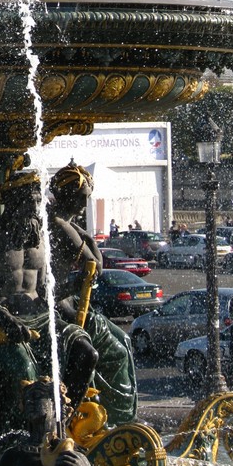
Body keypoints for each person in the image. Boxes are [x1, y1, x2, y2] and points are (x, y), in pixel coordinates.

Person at [0, 168, 97, 446]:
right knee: (25, 370)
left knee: (86, 353)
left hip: (41, 319)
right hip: (2, 325)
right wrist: (1, 315)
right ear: (11, 203)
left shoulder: (41, 244)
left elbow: (47, 293)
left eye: (37, 201)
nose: (36, 209)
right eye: (29, 201)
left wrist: (75, 285)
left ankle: (61, 424)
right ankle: (18, 440)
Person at [48, 162, 138, 425]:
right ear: (68, 196)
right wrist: (86, 236)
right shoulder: (61, 225)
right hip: (61, 305)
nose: (85, 206)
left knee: (124, 339)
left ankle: (117, 417)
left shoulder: (61, 222)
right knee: (120, 352)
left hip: (67, 301)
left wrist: (83, 233)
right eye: (83, 199)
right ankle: (119, 419)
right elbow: (95, 266)